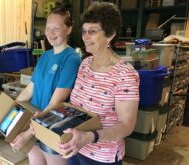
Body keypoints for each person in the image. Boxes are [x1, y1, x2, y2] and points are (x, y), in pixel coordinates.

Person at [58, 2, 139, 165]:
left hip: (102, 157)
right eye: (84, 31)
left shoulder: (125, 74)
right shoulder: (85, 64)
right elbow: (75, 107)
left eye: (92, 31)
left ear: (110, 35)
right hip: (75, 147)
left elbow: (126, 126)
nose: (85, 37)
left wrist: (91, 136)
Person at [9, 7, 81, 165]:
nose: (50, 33)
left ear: (68, 29)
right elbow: (29, 90)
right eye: (48, 28)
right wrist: (9, 115)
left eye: (56, 28)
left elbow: (55, 104)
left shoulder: (71, 59)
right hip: (34, 123)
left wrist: (28, 133)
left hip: (53, 128)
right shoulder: (44, 56)